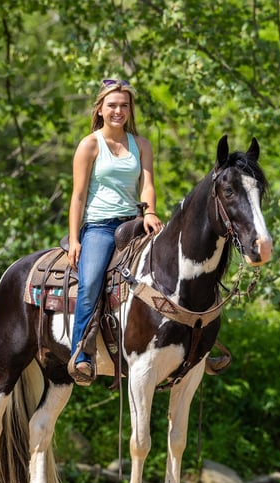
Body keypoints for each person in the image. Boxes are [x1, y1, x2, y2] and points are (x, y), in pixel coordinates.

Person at [67, 79, 163, 385]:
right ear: (100, 109)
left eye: (124, 105)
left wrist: (150, 212)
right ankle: (81, 353)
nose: (118, 111)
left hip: (134, 222)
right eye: (112, 105)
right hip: (100, 227)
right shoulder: (90, 145)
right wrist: (74, 239)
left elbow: (147, 184)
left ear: (130, 109)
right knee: (92, 281)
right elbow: (78, 196)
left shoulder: (141, 144)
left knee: (171, 263)